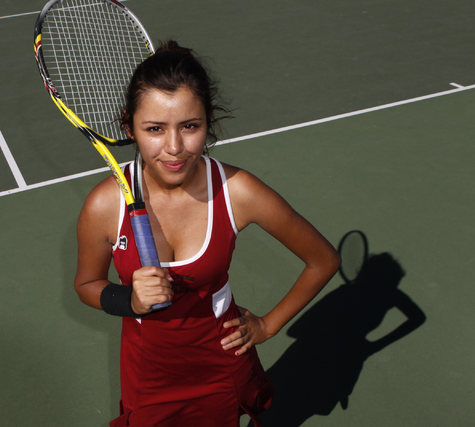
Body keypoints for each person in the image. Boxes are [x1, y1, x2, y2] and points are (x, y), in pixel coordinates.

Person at [74, 41, 341, 427]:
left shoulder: (238, 191)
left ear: (208, 122)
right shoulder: (104, 205)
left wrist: (268, 324)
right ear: (128, 126)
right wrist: (128, 299)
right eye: (154, 129)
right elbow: (86, 284)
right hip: (148, 374)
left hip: (220, 364)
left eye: (190, 126)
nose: (174, 148)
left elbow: (323, 260)